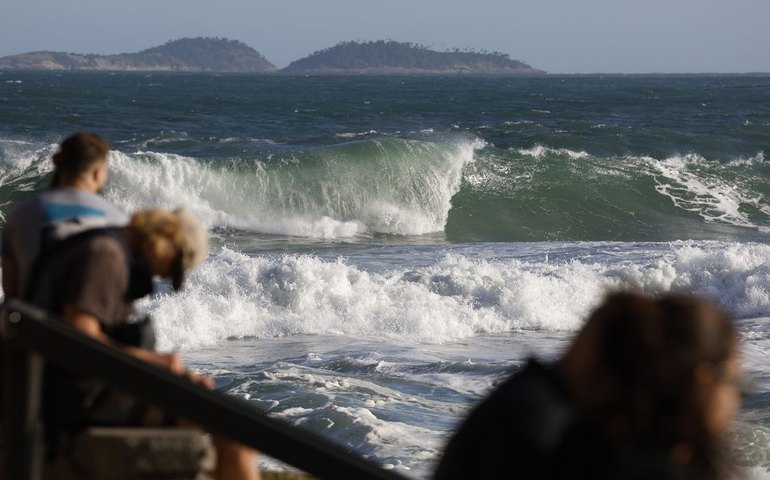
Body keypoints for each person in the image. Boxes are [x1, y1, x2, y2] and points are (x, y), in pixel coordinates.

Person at [27, 207, 260, 480]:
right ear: (165, 236)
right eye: (174, 267)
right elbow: (80, 338)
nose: (164, 277)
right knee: (238, 431)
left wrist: (170, 373)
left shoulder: (106, 247)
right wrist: (161, 363)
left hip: (71, 389)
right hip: (81, 397)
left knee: (224, 417)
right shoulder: (106, 255)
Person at [434, 291, 741, 480]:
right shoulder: (554, 436)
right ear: (704, 379)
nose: (737, 400)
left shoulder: (528, 402)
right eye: (736, 382)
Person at [1, 132, 127, 301]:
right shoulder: (117, 222)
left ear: (60, 165)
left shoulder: (20, 215)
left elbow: (10, 291)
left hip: (29, 323)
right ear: (97, 173)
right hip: (85, 324)